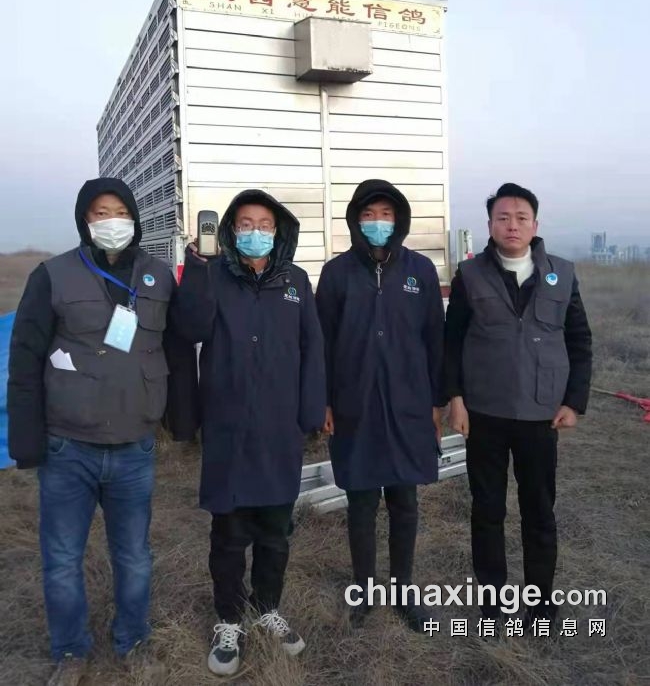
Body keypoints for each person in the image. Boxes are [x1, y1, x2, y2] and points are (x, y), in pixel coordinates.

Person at [8, 177, 197, 686]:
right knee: (62, 558)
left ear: (134, 218)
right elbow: (24, 359)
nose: (111, 221)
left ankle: (132, 639)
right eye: (99, 213)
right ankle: (70, 652)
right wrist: (25, 440)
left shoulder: (158, 276)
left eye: (119, 211)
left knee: (134, 556)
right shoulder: (52, 276)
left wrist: (182, 420)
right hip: (68, 448)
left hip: (134, 448)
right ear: (84, 221)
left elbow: (179, 347)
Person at [171, 190, 326, 677]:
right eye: (245, 223)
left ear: (278, 231)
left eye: (264, 224)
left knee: (276, 532)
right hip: (229, 426)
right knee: (230, 533)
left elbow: (312, 347)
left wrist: (309, 413)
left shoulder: (295, 281)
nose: (255, 231)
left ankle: (267, 608)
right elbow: (190, 328)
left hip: (280, 429)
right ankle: (229, 619)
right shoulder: (213, 274)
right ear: (231, 231)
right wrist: (197, 269)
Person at [444, 182, 592, 629]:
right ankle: (492, 605)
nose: (512, 225)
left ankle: (540, 605)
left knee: (539, 512)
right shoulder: (470, 275)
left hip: (540, 414)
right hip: (484, 413)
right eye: (503, 217)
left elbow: (579, 340)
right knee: (487, 511)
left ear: (535, 224)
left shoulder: (561, 273)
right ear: (490, 224)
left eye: (521, 217)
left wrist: (573, 402)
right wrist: (455, 400)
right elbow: (452, 342)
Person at [315, 179, 445, 632]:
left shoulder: (419, 271)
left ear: (399, 220)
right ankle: (365, 590)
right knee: (362, 502)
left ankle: (404, 589)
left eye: (385, 215)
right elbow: (322, 343)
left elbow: (435, 340)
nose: (377, 223)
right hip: (355, 405)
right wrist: (324, 400)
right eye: (368, 215)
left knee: (404, 500)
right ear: (356, 220)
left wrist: (436, 401)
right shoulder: (336, 274)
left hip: (409, 403)